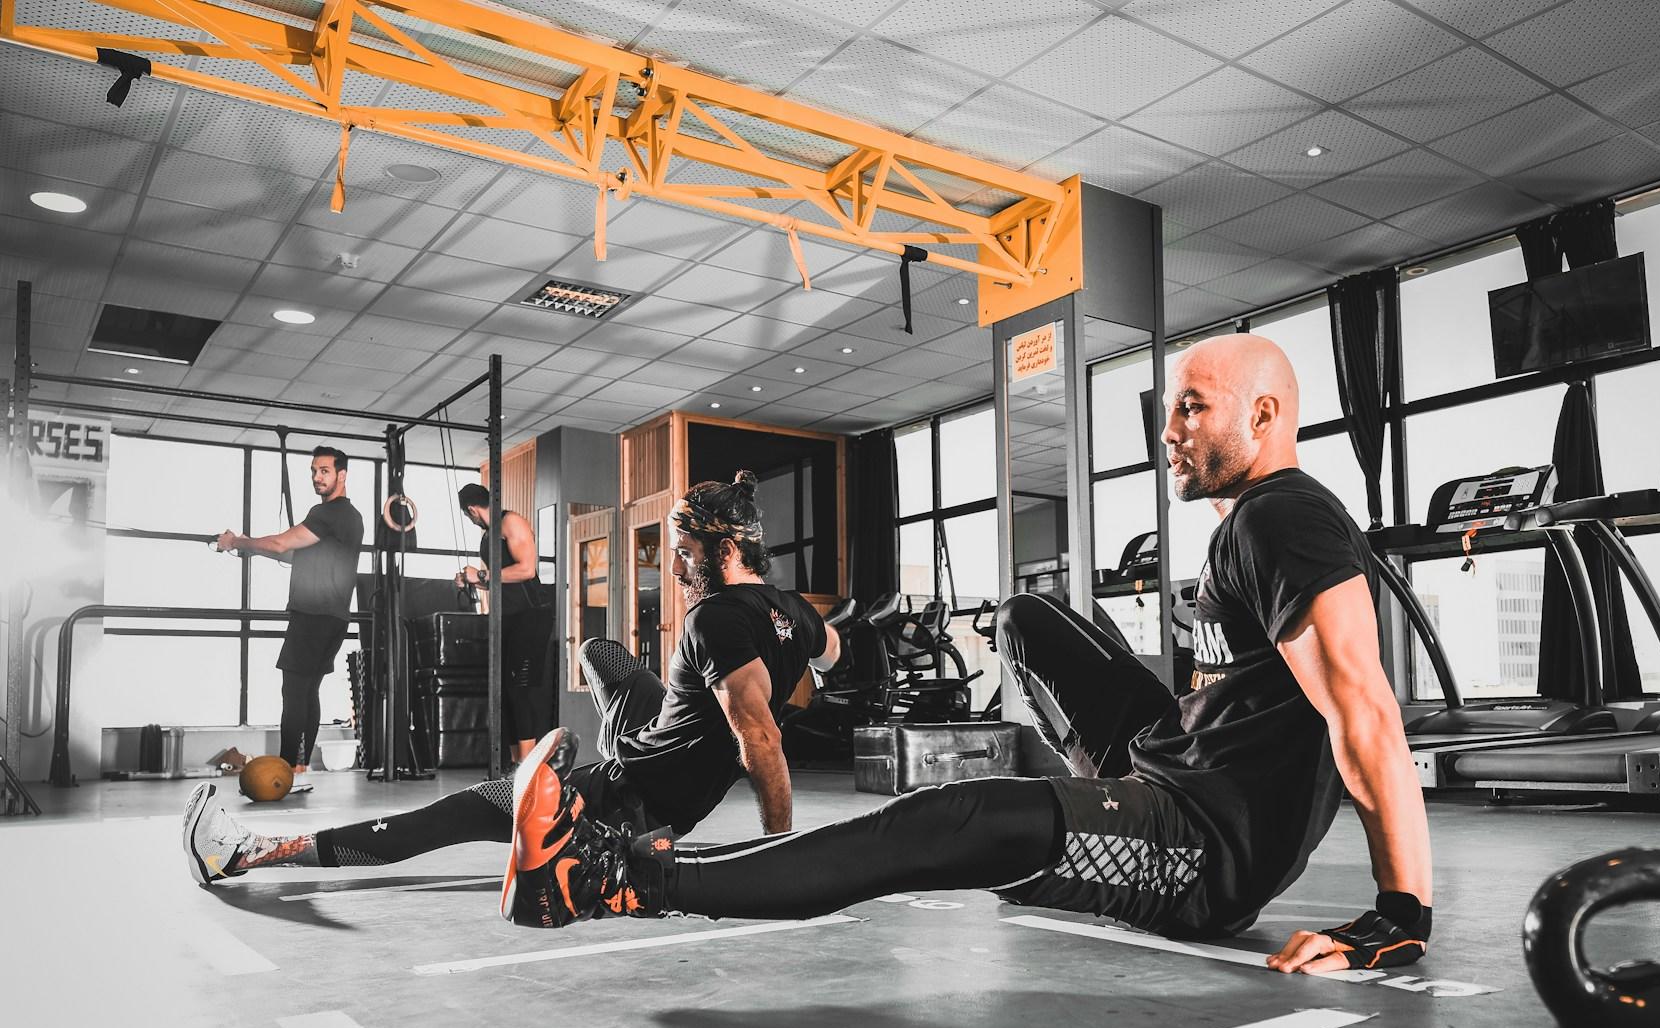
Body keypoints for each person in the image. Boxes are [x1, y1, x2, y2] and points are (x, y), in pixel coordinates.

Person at [502, 334, 1434, 975]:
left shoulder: (1291, 518)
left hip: (1201, 852)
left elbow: (1364, 710)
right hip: (1178, 773)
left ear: (1264, 415)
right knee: (1028, 618)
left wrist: (1400, 916)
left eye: (1193, 408)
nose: (1169, 429)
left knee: (945, 821)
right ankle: (1091, 803)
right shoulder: (1250, 526)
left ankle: (614, 878)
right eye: (1170, 409)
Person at [183, 471, 840, 882]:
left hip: (624, 804)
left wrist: (776, 854)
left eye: (684, 556)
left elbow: (761, 743)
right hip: (666, 770)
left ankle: (248, 855)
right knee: (605, 654)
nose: (673, 569)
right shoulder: (794, 615)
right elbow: (832, 651)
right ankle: (633, 741)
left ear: (725, 553)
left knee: (451, 814)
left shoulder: (714, 622)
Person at [214, 445, 363, 774]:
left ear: (342, 475)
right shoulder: (351, 518)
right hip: (333, 617)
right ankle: (298, 766)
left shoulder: (329, 513)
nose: (316, 477)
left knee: (295, 690)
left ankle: (285, 769)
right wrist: (252, 550)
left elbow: (283, 543)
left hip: (314, 614)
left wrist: (237, 542)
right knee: (307, 690)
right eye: (313, 471)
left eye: (324, 470)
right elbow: (292, 554)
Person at [454, 482, 556, 763]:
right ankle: (515, 763)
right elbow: (501, 581)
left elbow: (526, 569)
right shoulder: (488, 535)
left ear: (472, 510)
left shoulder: (511, 522)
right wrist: (472, 581)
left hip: (532, 616)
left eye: (468, 515)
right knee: (503, 691)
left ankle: (529, 763)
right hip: (508, 617)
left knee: (518, 688)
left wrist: (483, 576)